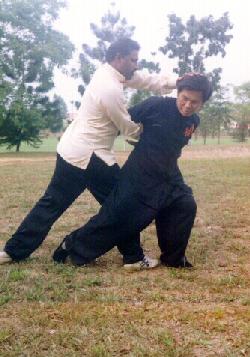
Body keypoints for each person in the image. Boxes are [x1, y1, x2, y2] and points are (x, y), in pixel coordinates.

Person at [0, 38, 176, 267]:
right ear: (119, 57)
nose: (136, 65)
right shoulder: (109, 88)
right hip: (91, 157)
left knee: (51, 204)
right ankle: (133, 257)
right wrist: (152, 137)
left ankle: (12, 252)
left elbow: (142, 79)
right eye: (133, 60)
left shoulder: (109, 73)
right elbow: (128, 128)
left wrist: (175, 81)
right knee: (123, 203)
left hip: (71, 149)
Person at [53, 73, 212, 269]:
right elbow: (117, 121)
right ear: (177, 93)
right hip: (140, 172)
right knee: (120, 217)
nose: (188, 105)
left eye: (194, 102)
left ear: (202, 103)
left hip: (169, 174)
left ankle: (173, 258)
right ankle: (73, 245)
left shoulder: (193, 121)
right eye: (184, 98)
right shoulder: (156, 105)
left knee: (185, 205)